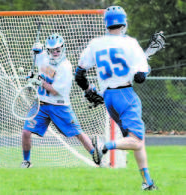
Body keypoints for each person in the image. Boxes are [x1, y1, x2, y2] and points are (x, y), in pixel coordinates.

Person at [75, 6, 157, 190]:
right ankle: (105, 145)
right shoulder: (130, 43)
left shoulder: (96, 43)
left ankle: (147, 183)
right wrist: (144, 71)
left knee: (136, 140)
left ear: (107, 24)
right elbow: (141, 77)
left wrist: (89, 91)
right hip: (125, 95)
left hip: (108, 99)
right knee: (135, 141)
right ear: (124, 23)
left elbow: (79, 75)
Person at [21, 33, 98, 168]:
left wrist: (38, 81)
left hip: (59, 106)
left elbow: (55, 91)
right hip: (41, 104)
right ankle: (26, 162)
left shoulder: (65, 66)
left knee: (77, 133)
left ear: (62, 48)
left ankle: (97, 155)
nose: (55, 52)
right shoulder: (44, 58)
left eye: (58, 49)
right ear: (48, 50)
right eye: (52, 50)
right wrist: (35, 52)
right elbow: (38, 62)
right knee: (26, 132)